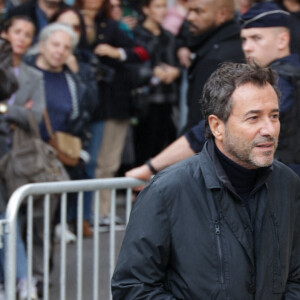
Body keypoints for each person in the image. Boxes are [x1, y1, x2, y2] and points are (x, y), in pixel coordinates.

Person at [112, 62, 300, 299]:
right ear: (216, 126)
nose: (270, 129)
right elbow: (133, 287)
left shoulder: (288, 184)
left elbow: (296, 275)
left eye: (274, 116)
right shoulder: (168, 191)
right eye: (253, 118)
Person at [126, 1, 300, 182]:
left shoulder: (281, 81)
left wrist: (152, 167)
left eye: (256, 38)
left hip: (284, 184)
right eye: (244, 39)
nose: (247, 47)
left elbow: (214, 127)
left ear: (282, 40)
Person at [25, 22, 96, 292]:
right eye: (55, 44)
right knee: (19, 223)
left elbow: (87, 111)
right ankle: (18, 276)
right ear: (42, 45)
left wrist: (81, 78)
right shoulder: (26, 73)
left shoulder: (71, 77)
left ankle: (40, 280)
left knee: (45, 225)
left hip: (55, 163)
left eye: (66, 47)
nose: (60, 51)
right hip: (24, 157)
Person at [0, 15, 45, 300]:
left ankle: (22, 279)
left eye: (28, 34)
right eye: (17, 32)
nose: (21, 38)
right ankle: (17, 279)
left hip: (16, 156)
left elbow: (35, 116)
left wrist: (4, 110)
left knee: (10, 216)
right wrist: (14, 111)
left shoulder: (33, 75)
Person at [132, 0, 181, 166]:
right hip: (144, 99)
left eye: (164, 6)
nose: (162, 11)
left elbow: (177, 62)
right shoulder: (136, 34)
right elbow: (131, 67)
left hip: (168, 98)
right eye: (157, 6)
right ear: (146, 9)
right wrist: (152, 72)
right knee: (143, 146)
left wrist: (176, 71)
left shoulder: (169, 36)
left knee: (164, 145)